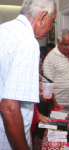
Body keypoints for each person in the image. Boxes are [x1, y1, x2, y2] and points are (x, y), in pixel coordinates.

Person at [0, 0, 57, 149]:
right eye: (52, 22)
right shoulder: (28, 42)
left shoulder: (4, 29)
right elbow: (9, 107)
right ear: (42, 16)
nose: (50, 27)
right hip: (8, 139)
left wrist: (29, 88)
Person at [43, 29, 69, 112]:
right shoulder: (50, 58)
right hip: (58, 102)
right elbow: (47, 84)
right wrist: (54, 102)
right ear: (58, 41)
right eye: (65, 44)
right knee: (59, 124)